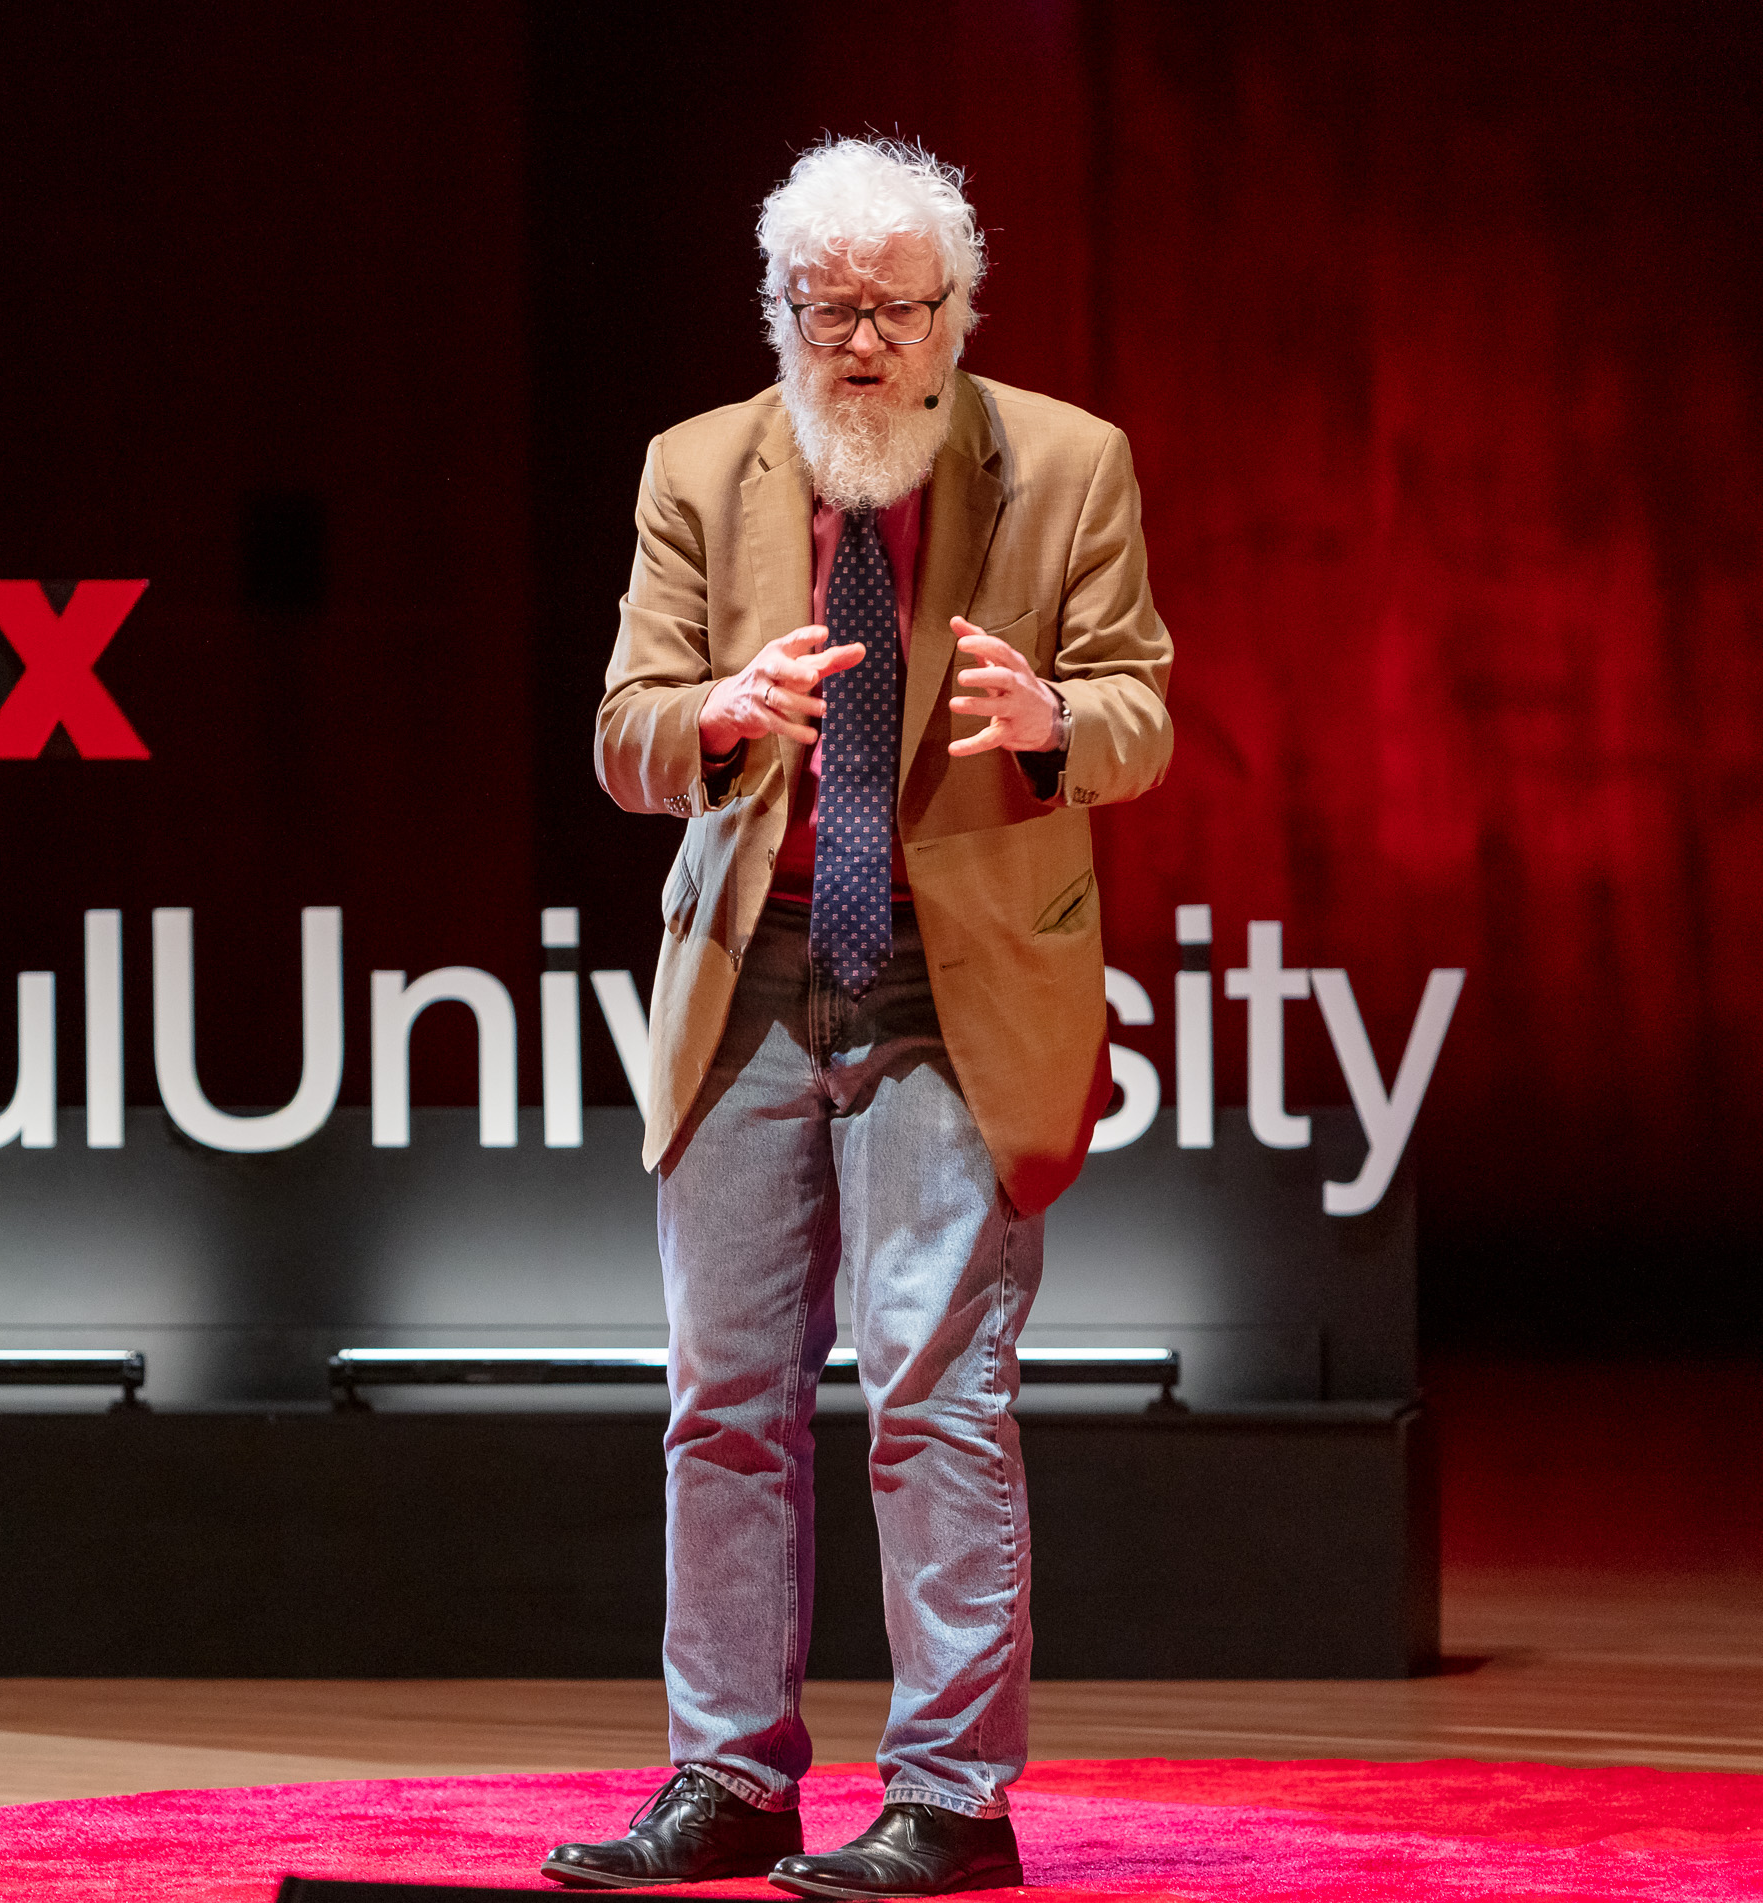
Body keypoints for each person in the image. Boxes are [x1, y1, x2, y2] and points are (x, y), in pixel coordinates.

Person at [544, 137, 1174, 1898]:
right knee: (723, 1401)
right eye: (828, 312)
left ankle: (954, 1801)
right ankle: (729, 1780)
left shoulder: (1066, 463)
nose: (865, 344)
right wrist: (718, 715)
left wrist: (1057, 723)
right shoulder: (696, 467)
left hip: (946, 984)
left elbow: (1141, 708)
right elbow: (623, 735)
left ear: (957, 313)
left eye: (898, 309)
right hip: (749, 976)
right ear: (782, 316)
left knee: (929, 1391)